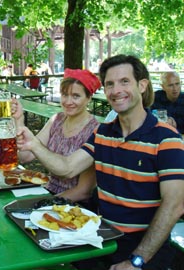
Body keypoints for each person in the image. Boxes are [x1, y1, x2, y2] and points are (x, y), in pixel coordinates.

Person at [16, 54, 184, 269]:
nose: (116, 90)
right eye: (110, 84)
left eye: (125, 81)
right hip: (100, 235)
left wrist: (137, 260)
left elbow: (175, 205)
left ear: (142, 85)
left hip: (143, 246)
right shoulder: (103, 133)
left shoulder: (167, 138)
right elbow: (68, 168)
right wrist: (34, 144)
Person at [12, 68, 101, 205]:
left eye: (76, 96)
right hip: (47, 191)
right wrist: (19, 120)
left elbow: (83, 190)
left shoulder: (95, 130)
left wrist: (43, 204)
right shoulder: (57, 120)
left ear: (88, 98)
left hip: (75, 206)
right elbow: (25, 156)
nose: (68, 101)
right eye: (64, 95)